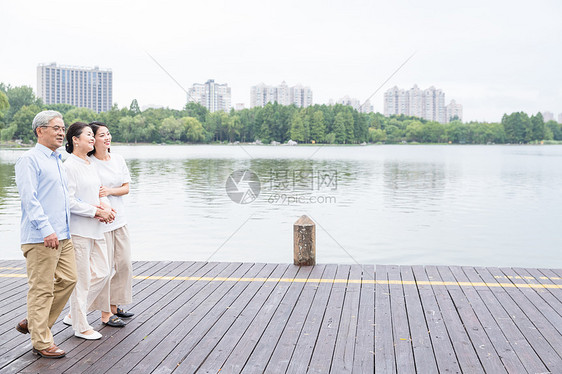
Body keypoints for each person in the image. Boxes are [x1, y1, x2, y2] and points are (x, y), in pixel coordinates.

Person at [14, 110, 77, 358]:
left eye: (63, 128)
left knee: (69, 279)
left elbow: (62, 198)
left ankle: (34, 322)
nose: (62, 133)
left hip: (63, 234)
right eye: (56, 128)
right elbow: (29, 199)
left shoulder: (57, 159)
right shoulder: (29, 159)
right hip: (42, 236)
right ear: (40, 131)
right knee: (41, 289)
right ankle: (41, 341)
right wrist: (46, 229)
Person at [62, 122, 122, 341]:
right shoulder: (69, 165)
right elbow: (68, 201)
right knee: (83, 279)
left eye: (91, 134)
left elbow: (99, 191)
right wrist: (95, 211)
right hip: (80, 230)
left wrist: (106, 207)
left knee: (103, 272)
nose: (92, 138)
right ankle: (80, 326)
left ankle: (74, 314)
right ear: (75, 140)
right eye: (88, 134)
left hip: (97, 228)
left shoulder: (90, 164)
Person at [88, 122, 135, 322]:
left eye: (108, 134)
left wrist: (109, 190)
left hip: (120, 220)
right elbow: (91, 192)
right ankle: (105, 313)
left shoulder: (117, 159)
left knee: (124, 264)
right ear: (93, 139)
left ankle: (115, 305)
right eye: (102, 135)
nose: (107, 138)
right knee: (104, 269)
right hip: (102, 222)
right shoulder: (88, 163)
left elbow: (126, 188)